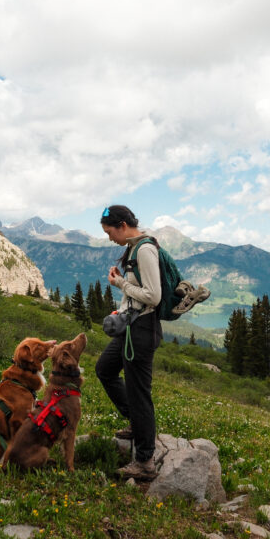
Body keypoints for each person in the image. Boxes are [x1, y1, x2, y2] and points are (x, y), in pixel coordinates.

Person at [95, 204, 163, 481]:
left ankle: (145, 460)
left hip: (142, 331)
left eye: (109, 231)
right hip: (131, 324)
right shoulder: (134, 248)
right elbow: (139, 294)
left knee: (139, 393)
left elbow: (153, 296)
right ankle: (136, 422)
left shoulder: (144, 249)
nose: (109, 237)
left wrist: (121, 284)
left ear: (122, 225)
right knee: (105, 369)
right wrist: (122, 306)